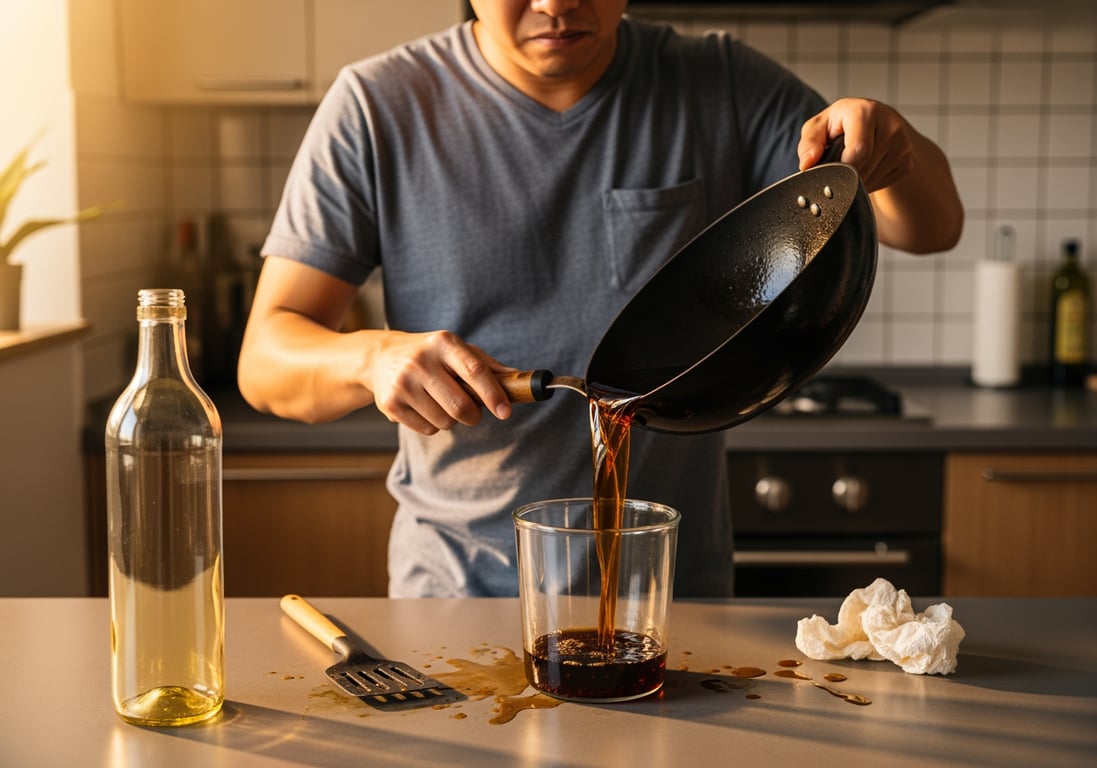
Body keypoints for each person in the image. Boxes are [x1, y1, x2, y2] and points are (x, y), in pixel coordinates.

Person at [237, 0, 963, 598]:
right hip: (457, 594)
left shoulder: (717, 81)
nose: (556, 5)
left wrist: (894, 150)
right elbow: (266, 361)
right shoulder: (376, 107)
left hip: (676, 594)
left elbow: (927, 226)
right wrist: (370, 358)